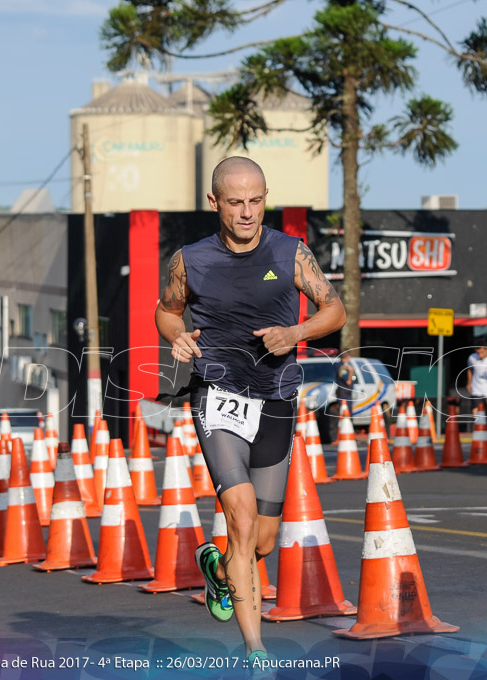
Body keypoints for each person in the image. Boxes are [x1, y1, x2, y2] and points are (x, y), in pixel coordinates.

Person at [154, 156, 346, 666]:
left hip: (276, 398)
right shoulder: (190, 260)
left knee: (260, 542)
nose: (246, 212)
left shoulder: (290, 253)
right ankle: (256, 652)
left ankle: (218, 570)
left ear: (266, 198)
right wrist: (178, 338)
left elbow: (334, 309)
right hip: (217, 397)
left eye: (256, 201)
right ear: (214, 202)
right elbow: (167, 312)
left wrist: (296, 334)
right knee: (238, 519)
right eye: (235, 202)